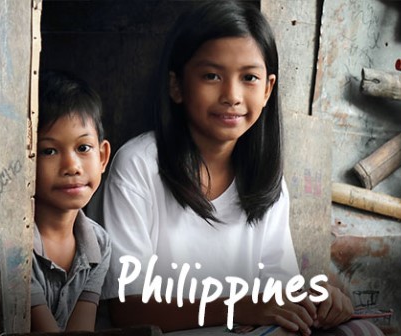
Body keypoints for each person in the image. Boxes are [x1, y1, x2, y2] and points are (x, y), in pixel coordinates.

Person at [99, 1, 382, 335]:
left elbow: (279, 294)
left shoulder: (266, 180)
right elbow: (126, 309)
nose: (231, 95)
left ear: (267, 89)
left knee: (359, 332)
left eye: (249, 77)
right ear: (176, 86)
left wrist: (318, 301)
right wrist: (239, 306)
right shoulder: (139, 166)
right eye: (212, 76)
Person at [31, 70, 111, 332]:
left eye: (83, 148)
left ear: (102, 157)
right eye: (49, 151)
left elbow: (81, 329)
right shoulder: (17, 247)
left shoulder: (98, 244)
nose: (72, 166)